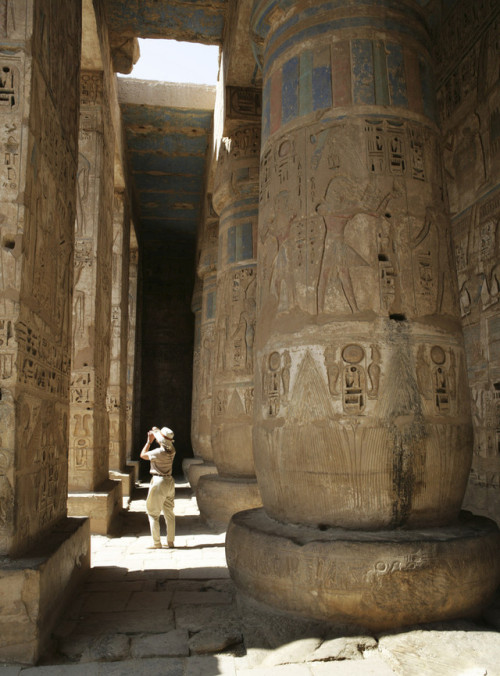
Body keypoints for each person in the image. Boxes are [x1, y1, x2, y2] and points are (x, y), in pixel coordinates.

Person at [140, 426, 176, 549]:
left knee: (153, 513)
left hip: (158, 481)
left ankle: (156, 543)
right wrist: (156, 432)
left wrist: (149, 441)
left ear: (160, 440)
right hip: (169, 481)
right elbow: (165, 442)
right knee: (169, 513)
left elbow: (143, 455)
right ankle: (170, 542)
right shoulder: (172, 451)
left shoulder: (157, 452)